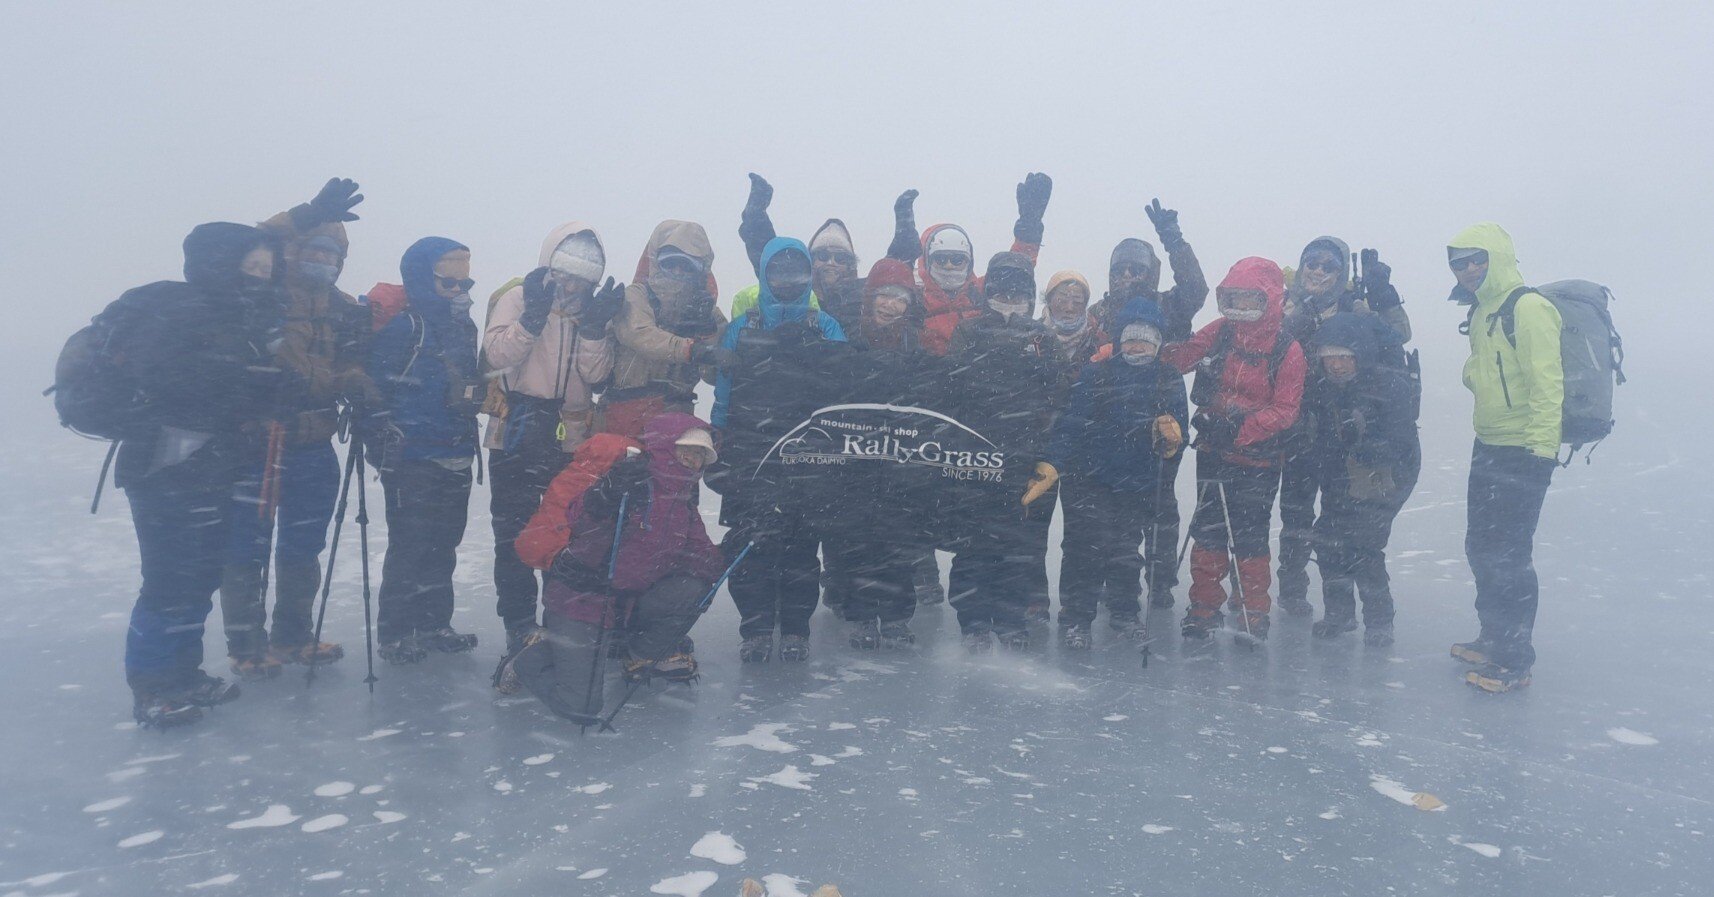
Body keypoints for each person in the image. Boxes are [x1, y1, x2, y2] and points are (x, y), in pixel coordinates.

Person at [113, 222, 284, 726]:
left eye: (267, 269)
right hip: (165, 467)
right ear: (220, 265)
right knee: (169, 579)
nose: (260, 276)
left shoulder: (240, 318)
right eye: (251, 266)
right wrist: (246, 383)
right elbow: (172, 383)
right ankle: (152, 687)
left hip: (211, 467)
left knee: (200, 575)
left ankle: (183, 675)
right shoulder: (180, 310)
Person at [219, 178, 367, 681]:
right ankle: (246, 643)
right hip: (260, 438)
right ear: (296, 250)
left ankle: (293, 634)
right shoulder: (268, 292)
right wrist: (306, 215)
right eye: (315, 251)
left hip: (314, 438)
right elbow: (252, 241)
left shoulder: (340, 307)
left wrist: (359, 384)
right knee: (249, 541)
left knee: (304, 543)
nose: (324, 261)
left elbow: (345, 365)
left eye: (333, 255)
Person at [501, 414, 724, 724]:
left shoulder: (682, 500)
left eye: (700, 454)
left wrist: (735, 547)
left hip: (628, 603)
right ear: (665, 447)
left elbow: (702, 558)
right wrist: (603, 497)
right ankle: (527, 659)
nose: (692, 459)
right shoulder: (627, 482)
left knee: (693, 588)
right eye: (686, 449)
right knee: (580, 706)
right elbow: (580, 520)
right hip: (586, 600)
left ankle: (640, 652)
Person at [481, 222, 627, 654]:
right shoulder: (518, 296)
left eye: (582, 277)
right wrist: (532, 318)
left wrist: (594, 330)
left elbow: (596, 376)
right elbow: (496, 356)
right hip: (516, 431)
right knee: (513, 533)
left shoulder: (591, 311)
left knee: (566, 532)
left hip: (569, 438)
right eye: (565, 272)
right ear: (550, 262)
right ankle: (520, 623)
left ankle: (561, 620)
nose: (571, 285)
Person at [706, 237, 848, 663]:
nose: (788, 280)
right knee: (752, 543)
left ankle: (796, 629)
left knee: (802, 546)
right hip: (751, 450)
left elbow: (843, 389)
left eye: (797, 272)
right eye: (779, 271)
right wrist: (718, 437)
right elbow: (724, 392)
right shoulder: (741, 327)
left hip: (809, 452)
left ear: (809, 276)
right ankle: (756, 628)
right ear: (765, 274)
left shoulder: (825, 326)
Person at [1161, 257, 1305, 643]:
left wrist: (1239, 429)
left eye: (1250, 299)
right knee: (1208, 531)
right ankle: (1204, 605)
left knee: (1250, 535)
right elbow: (1181, 359)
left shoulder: (1287, 349)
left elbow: (1286, 410)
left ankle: (1252, 609)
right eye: (1234, 298)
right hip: (1213, 451)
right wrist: (1171, 333)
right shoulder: (1221, 332)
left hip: (1259, 459)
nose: (1240, 307)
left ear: (1268, 299)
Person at [1446, 223, 1562, 693]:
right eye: (1459, 263)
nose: (1469, 269)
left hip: (1524, 449)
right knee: (1481, 546)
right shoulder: (1482, 311)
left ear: (1497, 257)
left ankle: (1516, 659)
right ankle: (1493, 636)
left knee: (1510, 555)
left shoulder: (1528, 307)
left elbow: (1547, 382)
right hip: (1489, 443)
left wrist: (1541, 451)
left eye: (1478, 258)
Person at [1274, 237, 1411, 616]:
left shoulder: (1354, 304)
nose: (1318, 271)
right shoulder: (1285, 303)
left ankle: (1341, 608)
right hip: (1298, 429)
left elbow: (1397, 336)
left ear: (1341, 272)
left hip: (1344, 432)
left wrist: (1384, 298)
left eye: (1328, 266)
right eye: (1312, 263)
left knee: (1338, 521)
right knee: (1296, 516)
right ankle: (1293, 590)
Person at [1086, 199, 1209, 608]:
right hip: (1113, 420)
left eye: (1136, 270)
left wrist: (1174, 241)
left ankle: (1159, 582)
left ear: (1150, 273)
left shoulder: (1168, 304)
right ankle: (1117, 579)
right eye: (1119, 270)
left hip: (1161, 410)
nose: (1127, 276)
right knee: (1116, 515)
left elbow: (1196, 289)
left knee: (1161, 509)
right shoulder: (1098, 312)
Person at [365, 237, 483, 663]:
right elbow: (375, 389)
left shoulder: (462, 327)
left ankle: (434, 625)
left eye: (463, 283)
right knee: (410, 544)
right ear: (420, 278)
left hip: (455, 451)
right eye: (447, 282)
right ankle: (396, 634)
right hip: (413, 455)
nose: (457, 290)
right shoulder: (406, 327)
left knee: (443, 544)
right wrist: (380, 440)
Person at [1050, 298, 1187, 649]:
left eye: (1146, 339)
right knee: (1086, 548)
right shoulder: (1097, 373)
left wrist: (1172, 440)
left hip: (1137, 481)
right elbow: (1073, 423)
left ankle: (1124, 612)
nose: (1137, 345)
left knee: (1126, 549)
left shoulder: (1168, 378)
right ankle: (1077, 618)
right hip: (1090, 477)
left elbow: (1179, 434)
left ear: (1158, 342)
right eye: (1130, 337)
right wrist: (1055, 462)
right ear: (1119, 339)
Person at [944, 252, 1060, 652]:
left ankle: (1010, 620)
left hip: (1023, 456)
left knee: (1017, 546)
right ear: (988, 291)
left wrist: (1045, 453)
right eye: (1001, 291)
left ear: (1029, 296)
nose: (1009, 299)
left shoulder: (1042, 338)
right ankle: (973, 621)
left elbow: (1057, 396)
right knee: (972, 544)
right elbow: (952, 387)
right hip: (974, 453)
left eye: (1017, 292)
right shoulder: (968, 330)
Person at [821, 259, 931, 649]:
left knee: (898, 540)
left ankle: (897, 616)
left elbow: (928, 399)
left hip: (902, 457)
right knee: (857, 540)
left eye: (900, 298)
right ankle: (863, 616)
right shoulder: (846, 339)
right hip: (853, 456)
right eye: (884, 295)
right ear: (870, 297)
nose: (890, 305)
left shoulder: (916, 344)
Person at [1303, 313, 1421, 646]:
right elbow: (1318, 434)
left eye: (1345, 357)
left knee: (1364, 544)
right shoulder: (1322, 386)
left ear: (1360, 355)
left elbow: (1401, 440)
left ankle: (1379, 621)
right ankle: (1339, 614)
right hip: (1341, 472)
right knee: (1329, 540)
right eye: (1330, 357)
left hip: (1386, 476)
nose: (1337, 364)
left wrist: (1366, 441)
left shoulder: (1389, 385)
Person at [733, 173, 922, 337]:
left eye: (840, 258)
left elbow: (894, 270)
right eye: (823, 256)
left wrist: (904, 222)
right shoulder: (795, 291)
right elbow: (769, 259)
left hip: (851, 365)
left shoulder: (861, 293)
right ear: (809, 262)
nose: (831, 263)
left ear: (850, 265)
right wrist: (755, 214)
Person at [1028, 269, 1106, 623]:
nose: (1070, 305)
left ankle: (1075, 607)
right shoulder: (1030, 336)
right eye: (1062, 297)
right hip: (1037, 447)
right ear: (1048, 300)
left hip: (1085, 451)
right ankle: (1033, 600)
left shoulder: (1102, 341)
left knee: (1081, 535)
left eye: (1078, 299)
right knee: (1032, 527)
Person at [603, 221, 725, 438]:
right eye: (670, 263)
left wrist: (709, 334)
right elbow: (639, 334)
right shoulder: (636, 296)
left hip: (676, 421)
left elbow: (714, 375)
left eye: (687, 266)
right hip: (622, 415)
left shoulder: (709, 313)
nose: (678, 271)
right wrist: (692, 349)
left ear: (700, 270)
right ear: (655, 261)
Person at [915, 173, 1052, 357]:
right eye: (941, 259)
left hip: (979, 370)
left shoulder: (981, 291)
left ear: (969, 261)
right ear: (926, 260)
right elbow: (886, 294)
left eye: (957, 259)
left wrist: (1030, 227)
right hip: (931, 373)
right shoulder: (916, 302)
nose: (948, 266)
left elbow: (1015, 268)